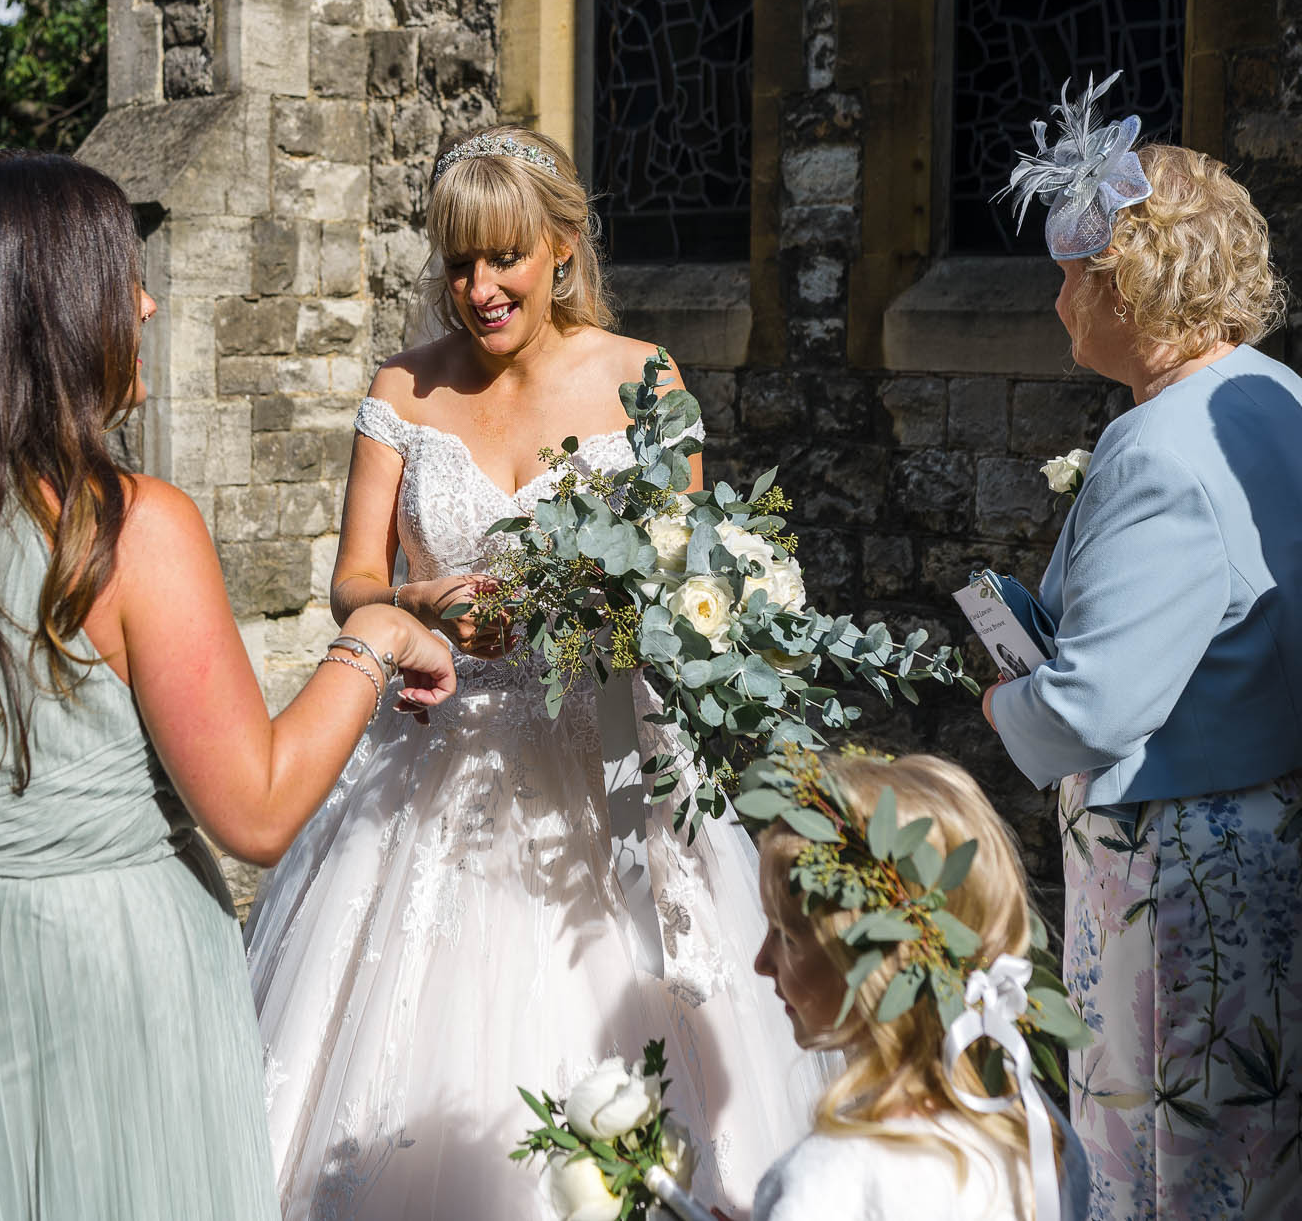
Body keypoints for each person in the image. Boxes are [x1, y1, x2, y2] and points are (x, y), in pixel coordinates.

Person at [0, 150, 456, 1221]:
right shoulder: (129, 527)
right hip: (91, 973)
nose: (141, 302)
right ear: (43, 318)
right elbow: (257, 809)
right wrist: (372, 637)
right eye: (115, 277)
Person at [245, 125, 831, 1219]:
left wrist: (585, 613)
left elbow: (685, 575)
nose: (477, 288)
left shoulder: (642, 377)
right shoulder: (401, 390)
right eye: (458, 261)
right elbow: (351, 582)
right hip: (433, 749)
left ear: (561, 248)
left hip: (605, 754)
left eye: (502, 257)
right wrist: (424, 605)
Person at [982, 75, 1302, 1220]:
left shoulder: (1155, 447)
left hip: (1180, 872)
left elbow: (1095, 705)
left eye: (1075, 272)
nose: (1057, 297)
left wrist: (1002, 706)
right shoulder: (1277, 396)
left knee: (1172, 1162)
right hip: (1266, 824)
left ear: (1135, 283)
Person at [746, 753, 1090, 1221]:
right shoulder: (1038, 1131)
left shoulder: (835, 1179)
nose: (761, 963)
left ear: (878, 962)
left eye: (787, 935)